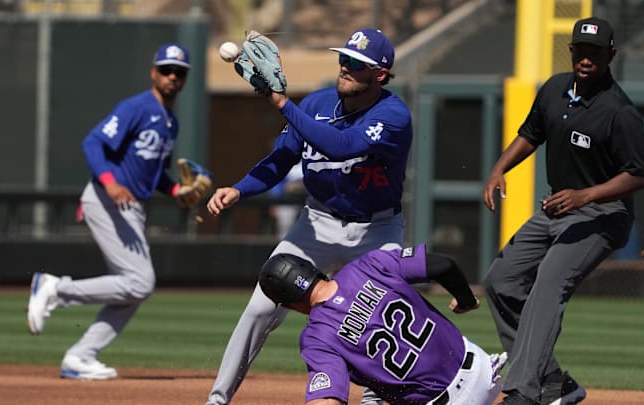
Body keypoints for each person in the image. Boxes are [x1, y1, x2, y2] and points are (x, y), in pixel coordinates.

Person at [205, 28, 413, 405]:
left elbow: (342, 146)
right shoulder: (317, 103)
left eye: (357, 64)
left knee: (379, 320)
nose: (346, 67)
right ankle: (217, 399)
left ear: (379, 75)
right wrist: (239, 189)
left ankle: (375, 397)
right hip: (316, 224)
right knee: (259, 307)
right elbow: (281, 160)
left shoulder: (393, 115)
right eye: (344, 58)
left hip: (376, 230)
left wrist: (282, 103)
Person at [482, 17, 644, 405]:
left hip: (602, 216)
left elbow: (640, 175)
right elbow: (530, 134)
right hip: (558, 208)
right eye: (581, 50)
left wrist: (584, 196)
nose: (586, 58)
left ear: (610, 55)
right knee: (501, 281)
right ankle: (555, 381)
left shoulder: (618, 111)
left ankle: (523, 391)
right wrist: (499, 168)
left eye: (596, 52)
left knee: (547, 286)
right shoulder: (555, 88)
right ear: (571, 51)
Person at [26, 43, 194, 380]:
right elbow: (93, 142)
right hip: (107, 198)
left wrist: (176, 190)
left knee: (131, 289)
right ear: (153, 73)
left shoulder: (170, 122)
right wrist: (110, 182)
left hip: (130, 206)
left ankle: (80, 356)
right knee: (141, 281)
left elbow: (153, 171)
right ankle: (54, 289)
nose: (172, 77)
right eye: (166, 70)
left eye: (179, 72)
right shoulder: (137, 106)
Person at [257, 244, 507, 405]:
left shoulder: (316, 337)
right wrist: (465, 300)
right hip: (485, 370)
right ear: (314, 271)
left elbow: (327, 401)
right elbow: (445, 265)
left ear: (288, 305)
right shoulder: (369, 264)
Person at [268, 161, 305, 239]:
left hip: (308, 202)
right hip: (286, 202)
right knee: (284, 232)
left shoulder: (314, 157)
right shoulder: (286, 158)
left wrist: (301, 185)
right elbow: (277, 184)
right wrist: (274, 202)